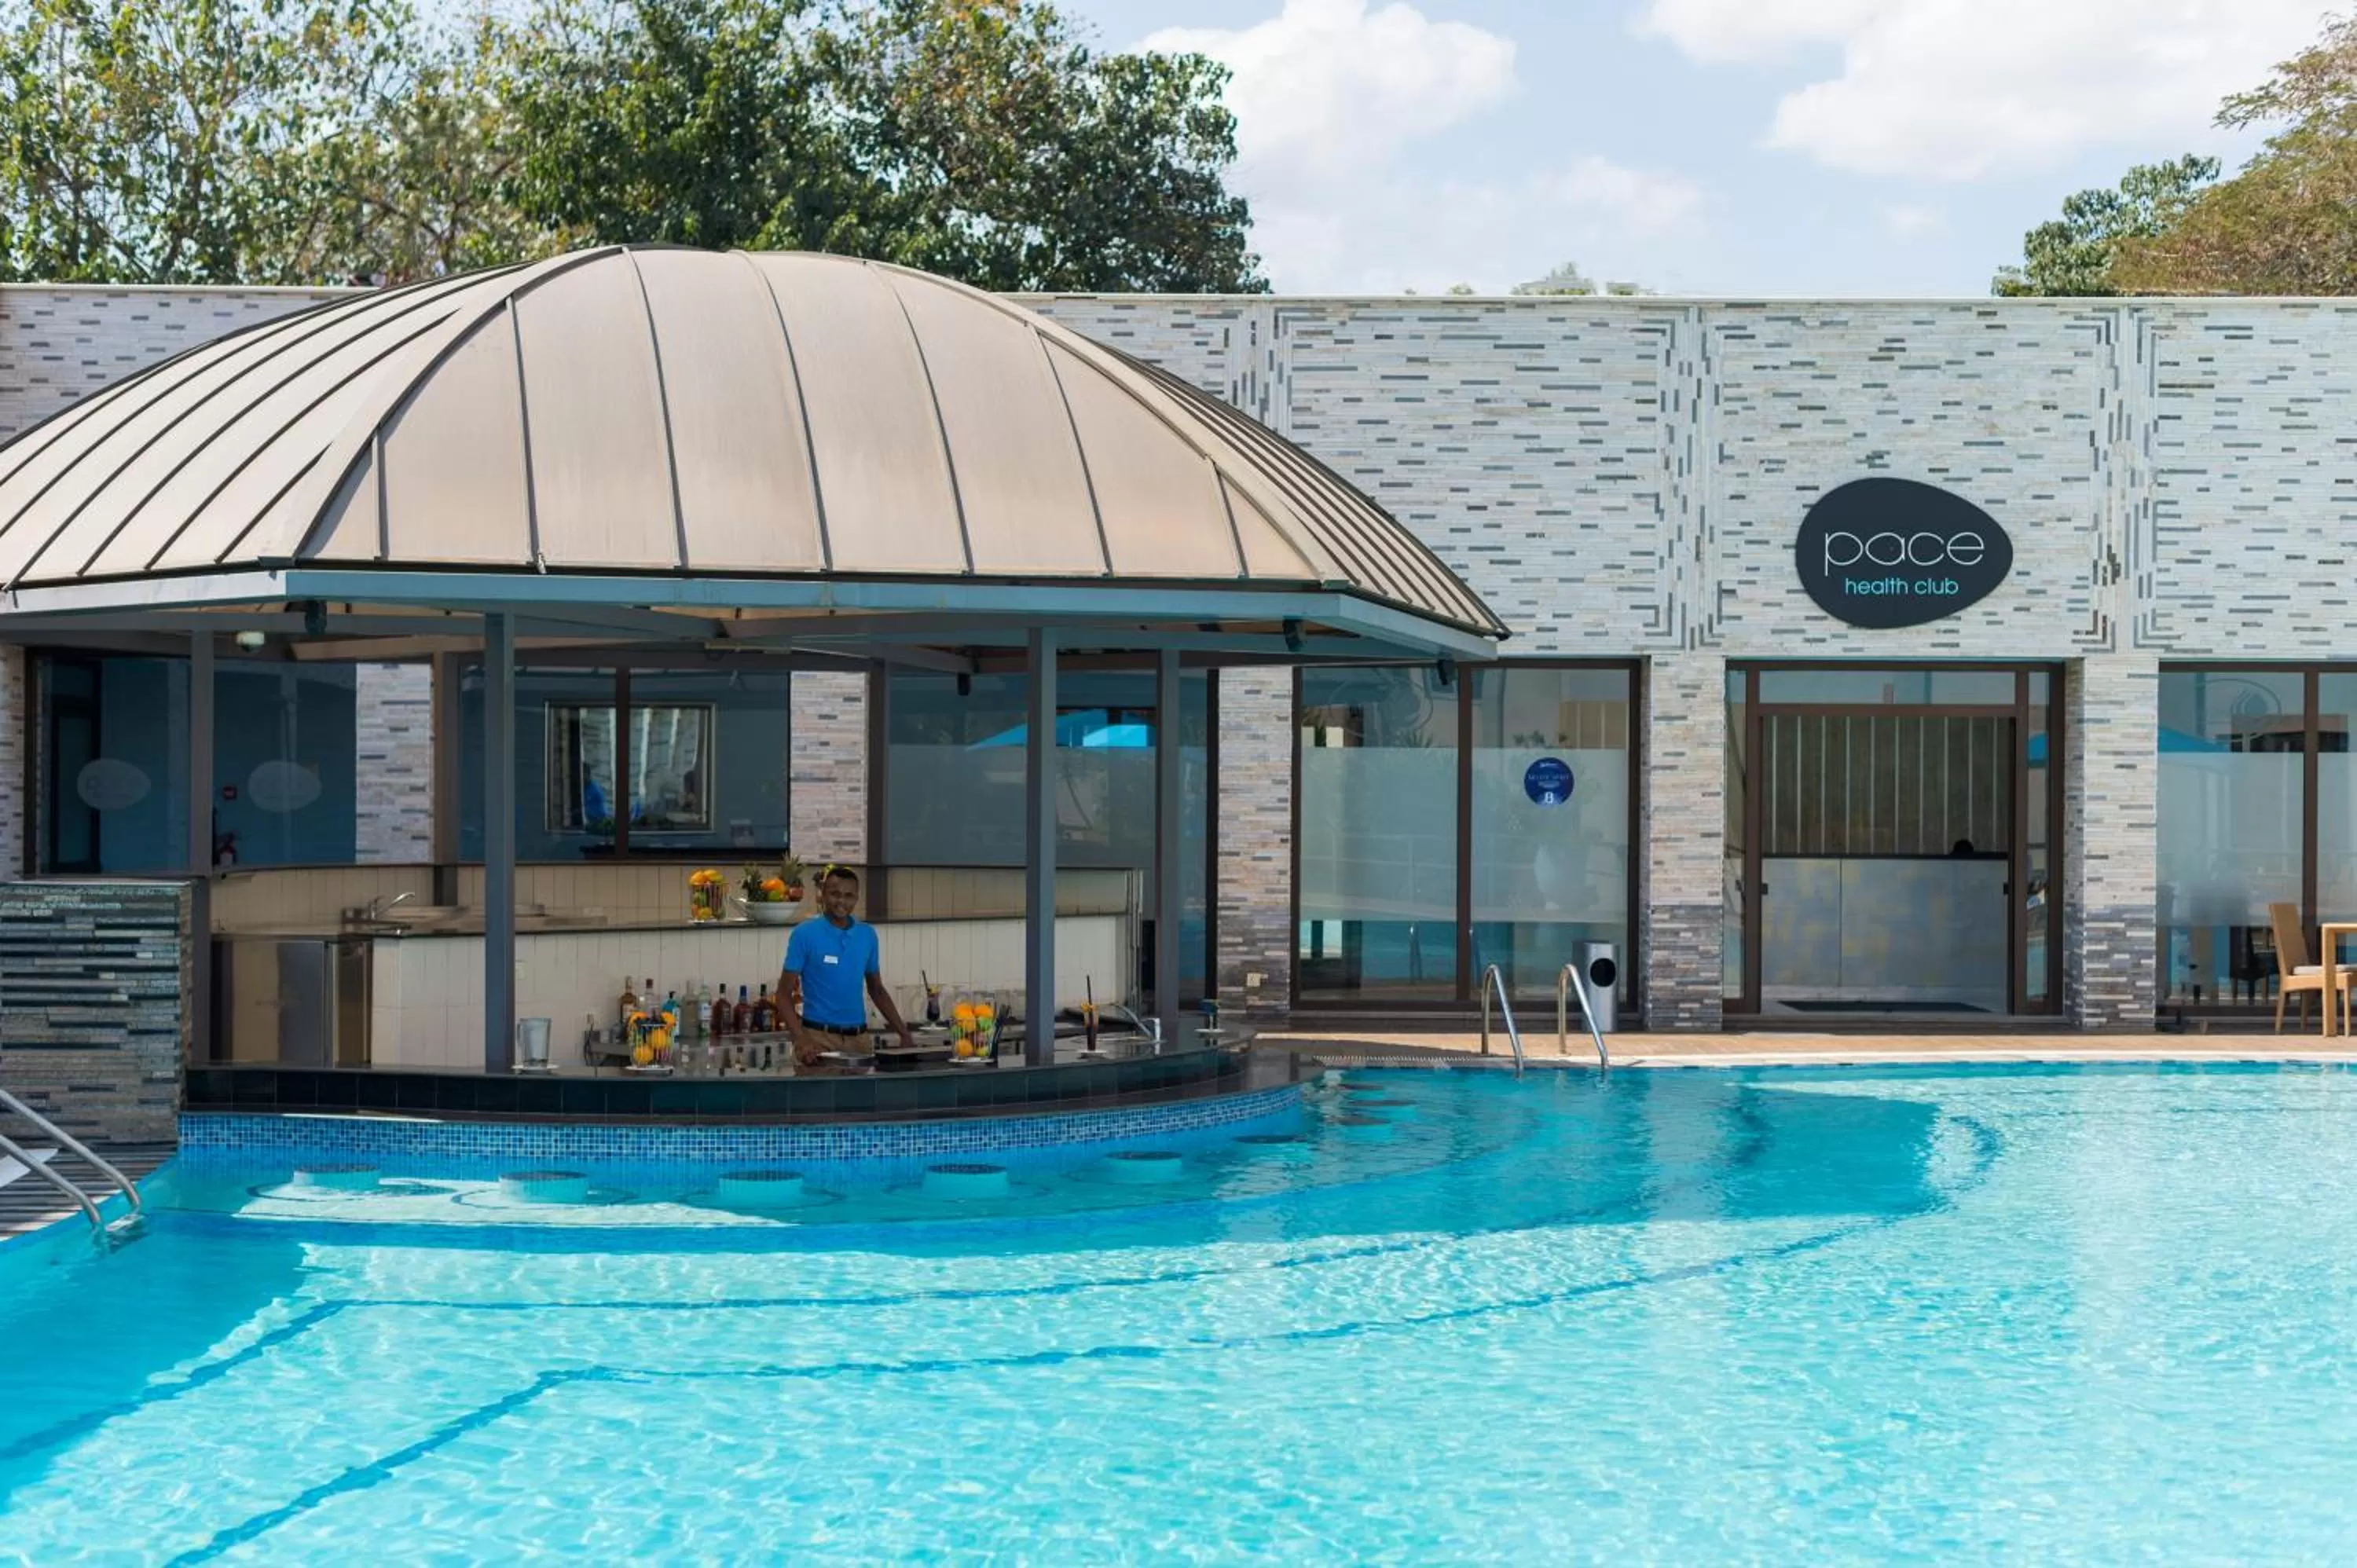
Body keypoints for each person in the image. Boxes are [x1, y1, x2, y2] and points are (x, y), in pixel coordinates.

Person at [779, 866, 915, 1071]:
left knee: (860, 1103)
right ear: (823, 894)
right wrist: (801, 1039)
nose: (841, 901)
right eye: (835, 894)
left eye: (848, 895)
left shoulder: (867, 935)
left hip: (859, 1042)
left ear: (857, 898)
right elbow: (782, 994)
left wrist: (904, 1034)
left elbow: (877, 990)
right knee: (818, 1102)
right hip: (818, 1042)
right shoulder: (804, 934)